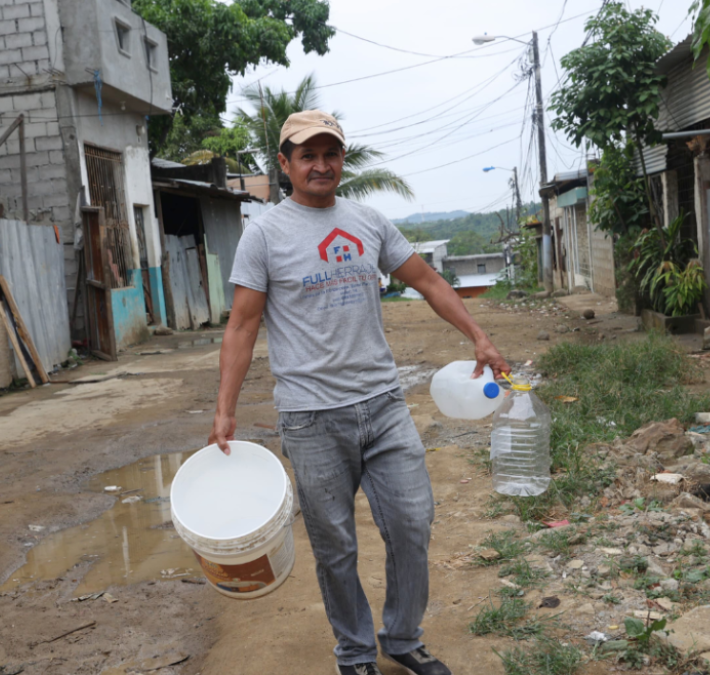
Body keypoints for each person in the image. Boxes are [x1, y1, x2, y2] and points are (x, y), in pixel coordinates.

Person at [211, 110, 510, 675]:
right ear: (285, 164)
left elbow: (427, 281)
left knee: (411, 522)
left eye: (331, 154)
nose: (321, 165)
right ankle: (353, 652)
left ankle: (401, 636)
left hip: (383, 404)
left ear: (341, 160)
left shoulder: (369, 221)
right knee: (336, 547)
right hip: (310, 417)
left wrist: (479, 336)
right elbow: (243, 326)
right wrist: (224, 411)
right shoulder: (264, 234)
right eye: (308, 155)